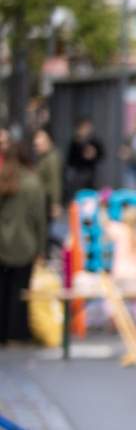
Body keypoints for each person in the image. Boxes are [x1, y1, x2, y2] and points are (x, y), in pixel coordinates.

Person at [0, 141, 47, 345]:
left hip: (2, 243)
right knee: (21, 291)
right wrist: (41, 248)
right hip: (25, 243)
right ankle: (17, 333)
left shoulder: (3, 179)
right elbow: (39, 219)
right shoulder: (32, 182)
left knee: (2, 290)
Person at [101, 202, 136, 332]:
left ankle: (114, 319)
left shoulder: (121, 230)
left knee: (111, 299)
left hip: (121, 274)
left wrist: (103, 207)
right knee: (135, 302)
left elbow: (105, 224)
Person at [65, 118, 105, 196]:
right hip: (78, 173)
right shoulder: (75, 141)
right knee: (78, 193)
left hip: (91, 172)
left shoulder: (94, 141)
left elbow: (102, 154)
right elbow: (70, 160)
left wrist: (94, 154)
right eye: (84, 127)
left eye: (88, 127)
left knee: (91, 193)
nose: (86, 130)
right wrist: (82, 155)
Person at [31, 129, 62, 223]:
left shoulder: (51, 158)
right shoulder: (42, 158)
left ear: (49, 142)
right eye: (35, 145)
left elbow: (55, 181)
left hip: (46, 200)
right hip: (41, 199)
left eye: (40, 145)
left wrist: (55, 203)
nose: (36, 147)